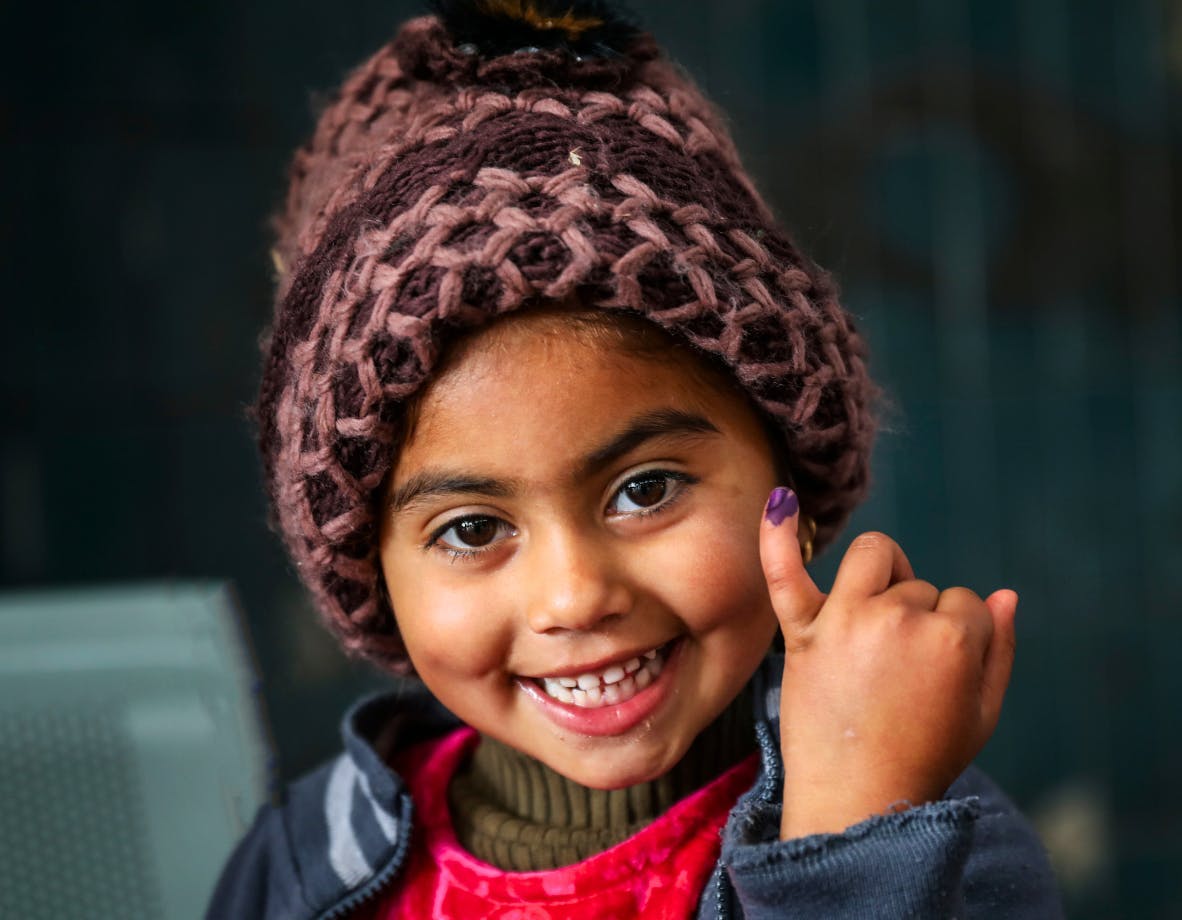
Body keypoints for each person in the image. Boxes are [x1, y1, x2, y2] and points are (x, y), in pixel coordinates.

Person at [209, 2, 1063, 916]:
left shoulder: (927, 839)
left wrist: (853, 833)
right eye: (470, 528)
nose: (575, 597)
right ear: (370, 572)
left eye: (644, 490)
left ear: (791, 478)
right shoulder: (302, 871)